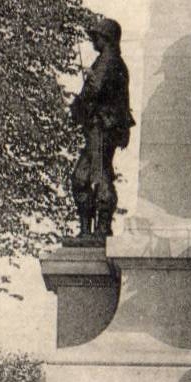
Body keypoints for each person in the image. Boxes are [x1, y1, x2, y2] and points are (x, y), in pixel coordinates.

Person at [70, 15, 134, 239]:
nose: (91, 40)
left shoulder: (109, 60)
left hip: (102, 127)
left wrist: (77, 106)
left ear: (105, 38)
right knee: (83, 176)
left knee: (98, 174)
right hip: (100, 127)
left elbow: (93, 91)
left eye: (95, 36)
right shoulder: (109, 60)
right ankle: (88, 230)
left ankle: (101, 228)